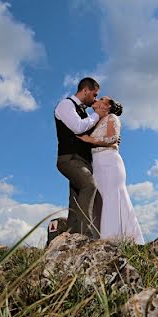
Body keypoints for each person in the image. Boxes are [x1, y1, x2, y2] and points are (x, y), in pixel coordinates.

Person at [79, 97, 144, 244]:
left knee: (112, 198)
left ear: (107, 106)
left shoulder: (112, 118)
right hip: (98, 163)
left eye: (102, 99)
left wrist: (90, 140)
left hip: (110, 161)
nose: (98, 98)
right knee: (103, 199)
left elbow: (113, 138)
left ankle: (111, 240)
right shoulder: (94, 122)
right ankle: (125, 238)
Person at [54, 77, 107, 237]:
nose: (95, 98)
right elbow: (77, 127)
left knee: (75, 199)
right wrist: (97, 115)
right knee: (89, 185)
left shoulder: (84, 111)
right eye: (94, 94)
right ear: (85, 90)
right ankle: (87, 235)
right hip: (69, 158)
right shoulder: (66, 105)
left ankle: (71, 235)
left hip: (82, 160)